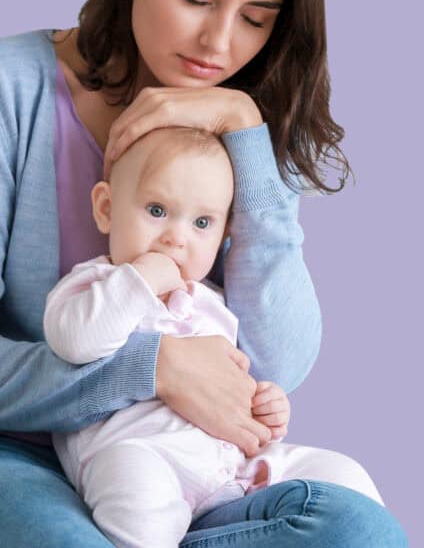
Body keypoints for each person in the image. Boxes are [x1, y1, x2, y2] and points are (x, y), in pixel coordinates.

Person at [0, 0, 409, 546]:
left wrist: (246, 128)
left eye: (255, 18)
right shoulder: (4, 87)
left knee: (358, 531)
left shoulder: (241, 121)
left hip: (189, 475)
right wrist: (150, 367)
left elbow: (277, 359)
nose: (220, 43)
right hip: (3, 460)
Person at [44, 126, 385, 548]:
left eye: (201, 222)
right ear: (106, 208)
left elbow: (233, 381)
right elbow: (76, 341)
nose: (177, 237)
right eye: (156, 210)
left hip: (232, 467)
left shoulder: (213, 302)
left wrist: (265, 406)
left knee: (345, 476)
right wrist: (140, 279)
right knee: (138, 496)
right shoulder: (94, 284)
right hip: (146, 454)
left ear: (222, 234)